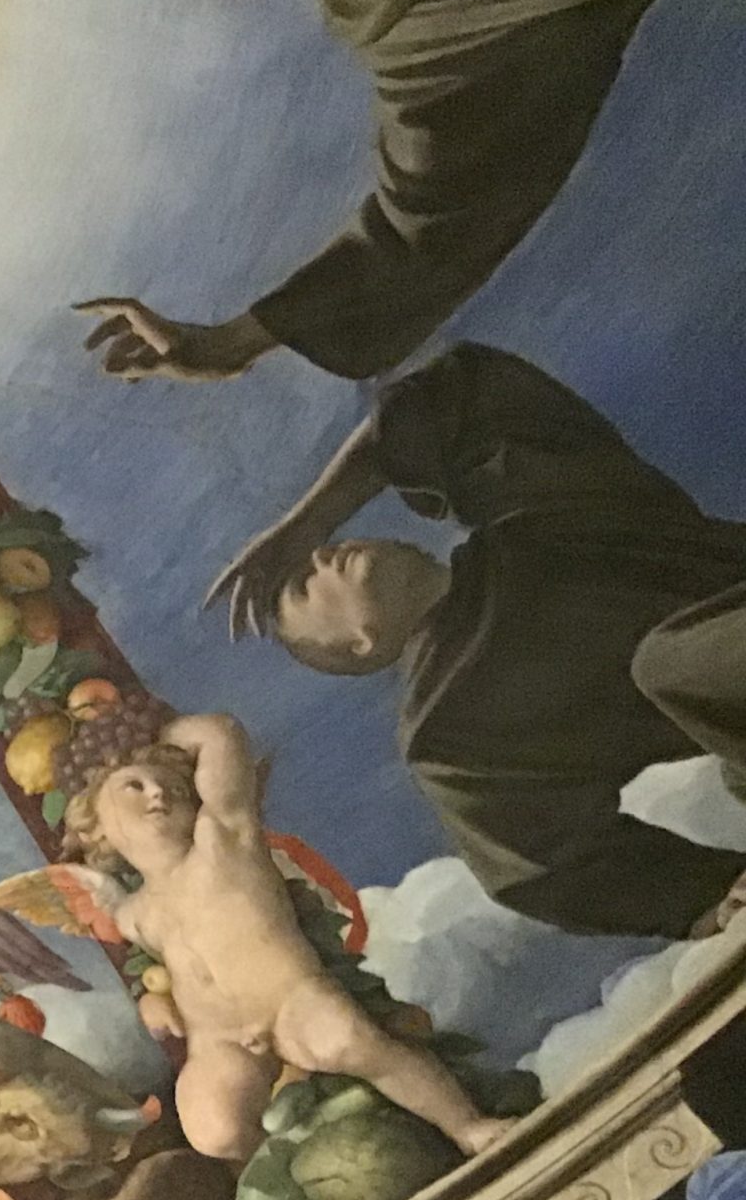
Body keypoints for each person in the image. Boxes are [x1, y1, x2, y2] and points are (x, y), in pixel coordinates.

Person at [207, 342, 746, 939]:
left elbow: (451, 390)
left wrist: (310, 517)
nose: (321, 555)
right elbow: (542, 868)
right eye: (306, 585)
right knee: (671, 668)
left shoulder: (535, 511)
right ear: (360, 645)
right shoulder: (451, 731)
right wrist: (709, 895)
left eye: (315, 549)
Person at [77, 0, 691, 385]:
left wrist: (231, 344)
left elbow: (423, 224)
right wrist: (229, 343)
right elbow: (423, 220)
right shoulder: (403, 16)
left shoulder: (402, 11)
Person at [59, 714, 507, 1162]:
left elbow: (221, 736)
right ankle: (298, 1167)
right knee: (213, 1129)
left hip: (289, 1001)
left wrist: (166, 739)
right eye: (134, 786)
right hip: (217, 1035)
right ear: (95, 828)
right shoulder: (135, 912)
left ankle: (466, 1125)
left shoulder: (221, 840)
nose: (157, 792)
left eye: (173, 788)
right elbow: (133, 937)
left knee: (351, 1041)